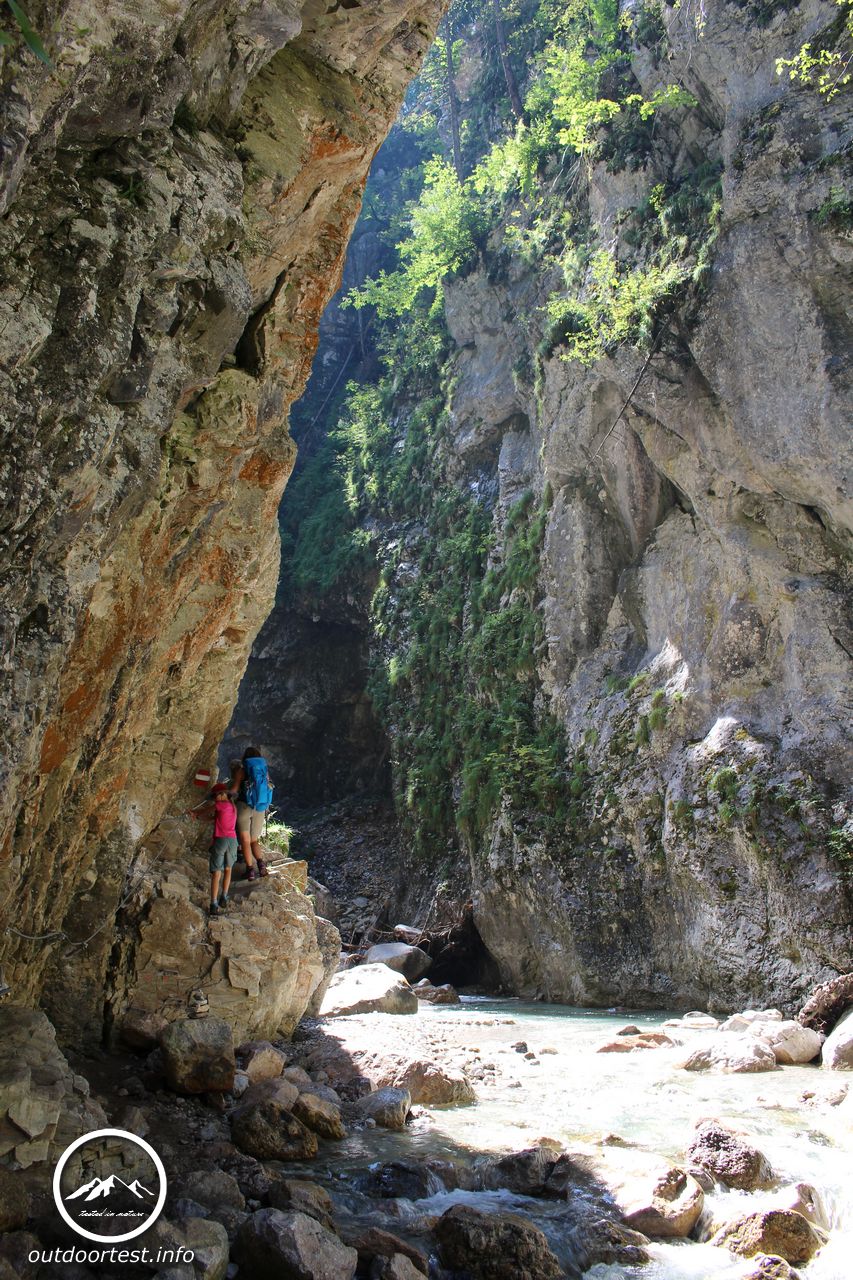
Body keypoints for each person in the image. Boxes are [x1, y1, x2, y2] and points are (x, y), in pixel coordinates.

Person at [188, 783, 239, 915]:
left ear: (223, 794)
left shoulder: (220, 805)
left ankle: (214, 904)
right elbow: (211, 818)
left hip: (221, 841)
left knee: (217, 873)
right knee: (228, 869)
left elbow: (206, 811)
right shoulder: (232, 807)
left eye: (217, 795)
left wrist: (194, 812)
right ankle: (224, 896)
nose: (215, 798)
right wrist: (197, 816)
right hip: (233, 841)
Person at [231, 746, 272, 881]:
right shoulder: (264, 771)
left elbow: (234, 790)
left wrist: (223, 794)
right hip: (259, 808)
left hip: (243, 806)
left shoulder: (241, 771)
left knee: (245, 841)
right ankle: (261, 867)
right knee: (254, 840)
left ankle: (250, 871)